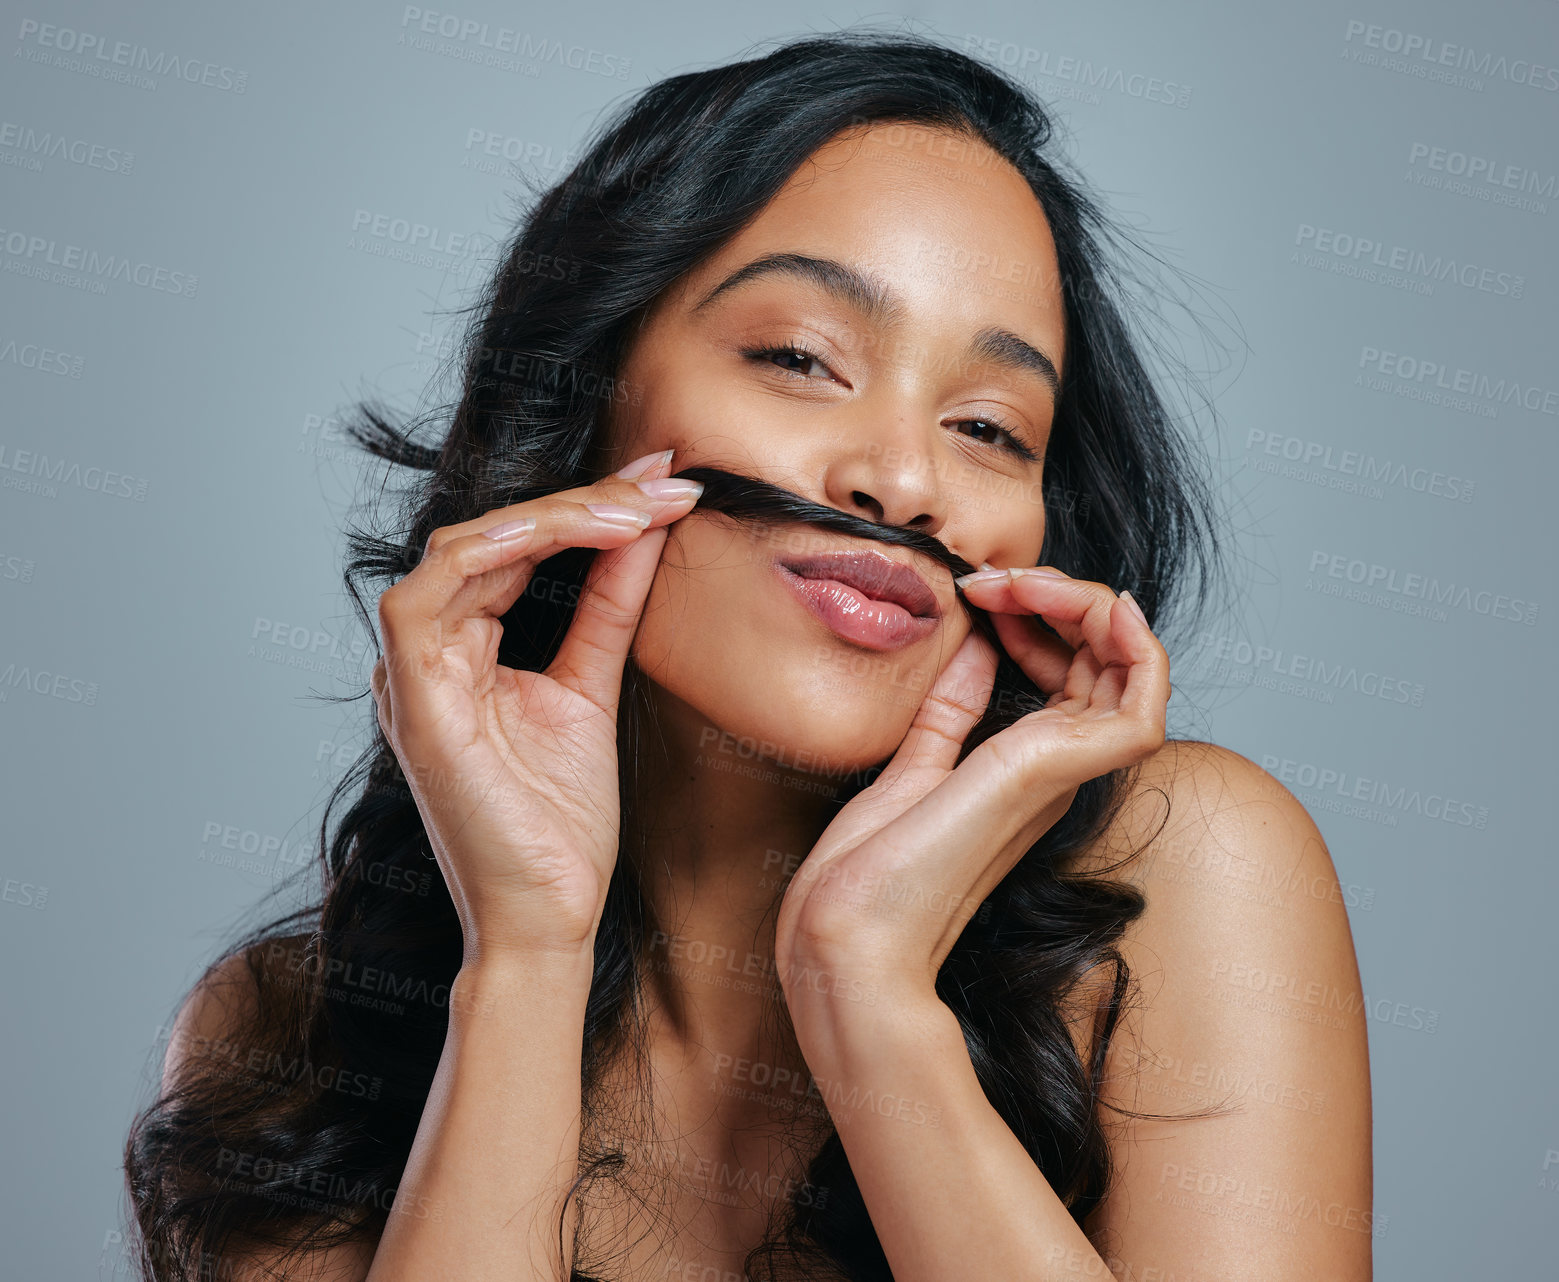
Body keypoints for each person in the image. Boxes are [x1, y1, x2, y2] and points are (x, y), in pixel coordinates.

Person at [125, 30, 1372, 1282]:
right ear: (582, 397)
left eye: (988, 428)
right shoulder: (284, 1033)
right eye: (797, 359)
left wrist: (870, 997)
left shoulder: (1187, 873)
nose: (899, 481)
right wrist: (523, 959)